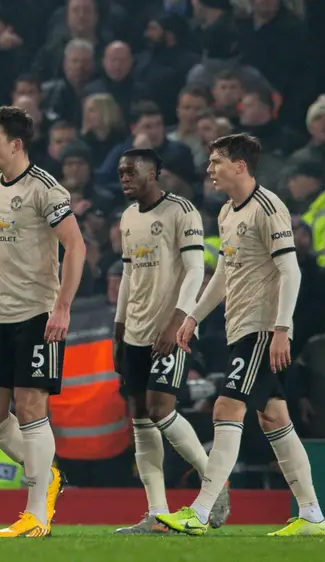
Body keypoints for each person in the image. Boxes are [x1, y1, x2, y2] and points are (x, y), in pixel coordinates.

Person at [158, 133, 325, 537]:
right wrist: (193, 317)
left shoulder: (269, 208)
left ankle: (200, 512)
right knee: (273, 417)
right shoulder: (227, 212)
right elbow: (223, 275)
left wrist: (282, 329)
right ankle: (312, 516)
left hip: (262, 327)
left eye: (216, 161)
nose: (209, 168)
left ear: (240, 166)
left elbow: (292, 271)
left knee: (225, 409)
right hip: (241, 327)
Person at [0, 106, 86, 538]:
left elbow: (76, 246)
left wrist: (63, 307)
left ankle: (38, 512)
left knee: (32, 408)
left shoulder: (45, 190)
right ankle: (48, 475)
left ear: (16, 144)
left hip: (38, 315)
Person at [112, 148, 229, 534]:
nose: (124, 178)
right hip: (134, 333)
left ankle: (214, 482)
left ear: (153, 172)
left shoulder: (182, 211)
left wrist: (178, 320)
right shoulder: (128, 218)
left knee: (162, 410)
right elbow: (129, 276)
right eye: (120, 173)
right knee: (142, 420)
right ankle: (157, 513)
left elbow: (197, 270)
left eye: (131, 171)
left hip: (169, 330)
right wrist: (118, 325)